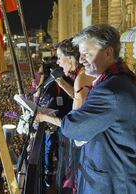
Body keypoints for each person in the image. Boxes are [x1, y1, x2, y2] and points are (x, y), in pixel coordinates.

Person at [45, 24, 136, 193]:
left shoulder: (110, 91)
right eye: (81, 54)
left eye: (87, 54)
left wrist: (78, 98)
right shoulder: (116, 80)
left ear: (108, 52)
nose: (82, 59)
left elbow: (72, 128)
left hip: (114, 185)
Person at [37, 38, 94, 193]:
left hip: (90, 146)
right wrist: (61, 82)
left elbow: (73, 125)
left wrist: (43, 117)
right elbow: (77, 98)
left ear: (70, 58)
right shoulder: (81, 75)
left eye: (60, 58)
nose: (59, 63)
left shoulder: (81, 78)